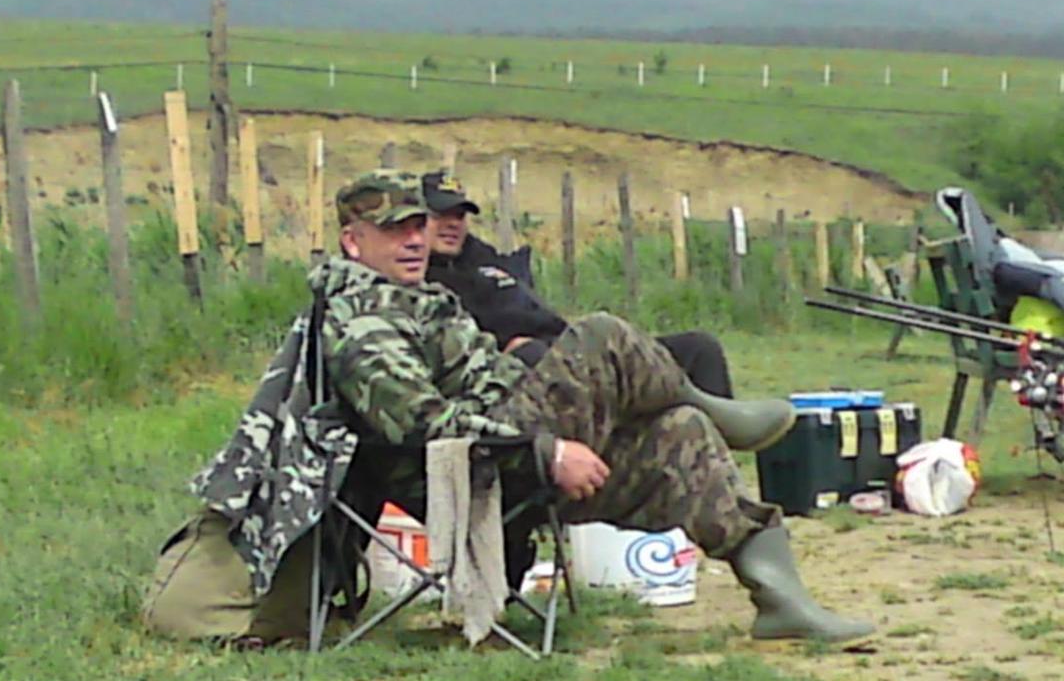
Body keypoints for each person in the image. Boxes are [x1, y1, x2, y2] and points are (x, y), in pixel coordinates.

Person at [144, 171, 872, 647]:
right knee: (601, 335)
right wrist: (547, 450)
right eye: (394, 230)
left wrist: (553, 425)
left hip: (501, 458)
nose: (413, 240)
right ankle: (713, 404)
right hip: (456, 476)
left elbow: (491, 380)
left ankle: (776, 595)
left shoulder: (426, 302)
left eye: (417, 227)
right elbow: (422, 422)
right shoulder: (358, 321)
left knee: (677, 437)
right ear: (351, 241)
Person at [420, 169, 737, 396]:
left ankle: (722, 455)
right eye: (440, 214)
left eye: (460, 215)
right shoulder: (417, 278)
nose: (452, 224)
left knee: (700, 348)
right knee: (533, 353)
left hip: (574, 346)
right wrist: (509, 347)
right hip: (529, 368)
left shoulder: (481, 256)